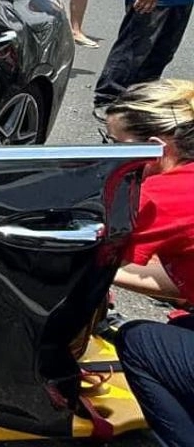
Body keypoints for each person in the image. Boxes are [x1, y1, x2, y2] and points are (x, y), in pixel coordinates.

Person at [99, 79, 194, 446]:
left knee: (139, 342)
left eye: (116, 145)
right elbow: (179, 279)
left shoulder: (163, 194)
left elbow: (77, 246)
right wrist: (110, 274)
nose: (110, 155)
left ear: (154, 149)